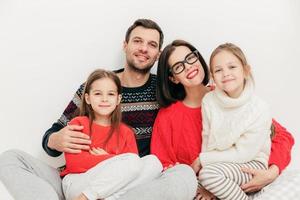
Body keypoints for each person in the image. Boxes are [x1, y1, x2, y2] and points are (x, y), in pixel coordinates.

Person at [0, 19, 197, 200]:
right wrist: (55, 140)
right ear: (125, 45)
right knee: (10, 158)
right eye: (137, 41)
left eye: (152, 44)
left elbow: (197, 103)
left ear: (158, 54)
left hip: (134, 185)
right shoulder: (97, 86)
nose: (144, 48)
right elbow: (54, 134)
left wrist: (216, 91)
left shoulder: (165, 90)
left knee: (184, 175)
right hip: (79, 178)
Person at [151, 39, 294, 199]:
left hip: (242, 176)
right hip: (203, 188)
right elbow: (163, 165)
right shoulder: (168, 116)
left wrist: (271, 173)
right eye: (178, 66)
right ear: (173, 78)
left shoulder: (228, 94)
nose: (189, 66)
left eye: (190, 58)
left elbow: (281, 136)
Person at [61, 69, 162, 200]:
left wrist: (109, 158)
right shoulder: (78, 123)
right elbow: (75, 164)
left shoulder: (126, 132)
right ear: (88, 98)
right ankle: (87, 197)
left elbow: (132, 170)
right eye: (97, 94)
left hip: (109, 190)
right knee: (131, 161)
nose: (104, 99)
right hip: (78, 184)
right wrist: (113, 159)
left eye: (110, 94)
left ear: (118, 99)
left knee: (154, 163)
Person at [191, 43, 271, 200]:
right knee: (191, 184)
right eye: (218, 70)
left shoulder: (259, 108)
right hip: (218, 164)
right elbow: (207, 139)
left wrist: (203, 160)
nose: (225, 74)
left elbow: (244, 153)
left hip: (251, 162)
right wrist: (205, 183)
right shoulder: (209, 100)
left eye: (232, 67)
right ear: (213, 77)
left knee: (208, 175)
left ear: (245, 71)